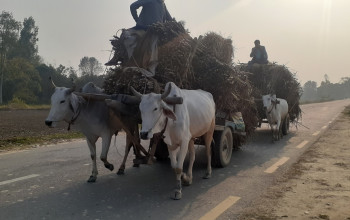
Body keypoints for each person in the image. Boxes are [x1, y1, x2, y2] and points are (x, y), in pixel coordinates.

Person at [105, 0, 172, 67]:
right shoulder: (159, 3)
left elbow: (132, 6)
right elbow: (133, 6)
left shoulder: (162, 5)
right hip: (148, 30)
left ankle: (117, 57)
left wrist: (137, 20)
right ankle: (117, 56)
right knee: (125, 35)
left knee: (124, 35)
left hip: (150, 30)